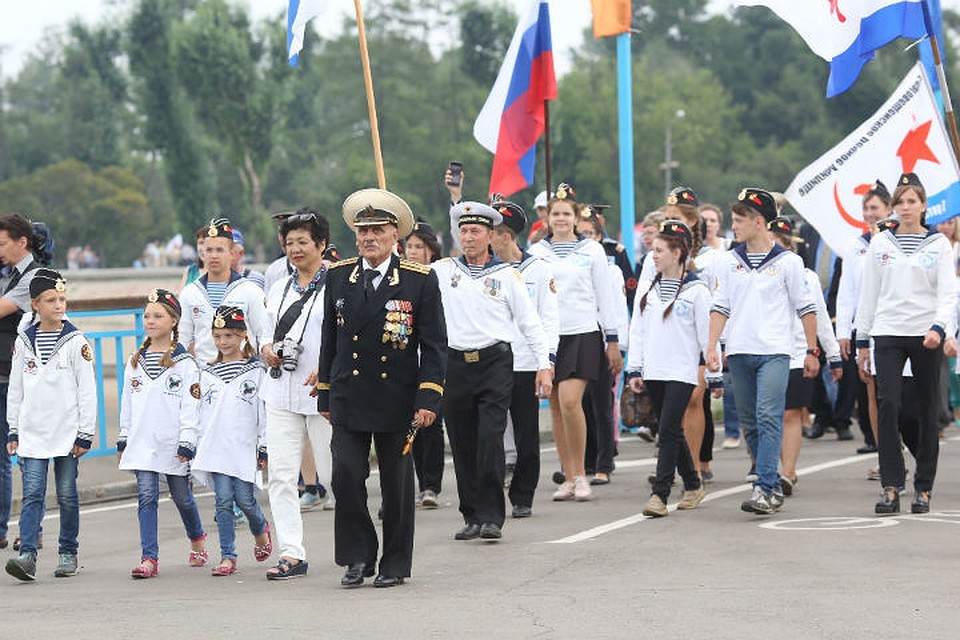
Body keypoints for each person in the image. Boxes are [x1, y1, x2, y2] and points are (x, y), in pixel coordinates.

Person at [318, 188, 446, 588]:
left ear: (396, 236)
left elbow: (435, 345)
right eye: (363, 231)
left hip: (398, 399)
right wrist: (325, 390)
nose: (369, 238)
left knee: (396, 486)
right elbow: (330, 339)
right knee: (345, 476)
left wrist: (429, 397)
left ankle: (394, 562)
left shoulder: (417, 280)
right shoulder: (340, 277)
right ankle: (356, 556)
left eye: (378, 230)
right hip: (349, 395)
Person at [434, 201, 551, 539]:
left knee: (490, 438)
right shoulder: (443, 271)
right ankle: (470, 514)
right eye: (464, 231)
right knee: (462, 441)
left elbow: (530, 324)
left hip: (495, 363)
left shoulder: (506, 275)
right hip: (455, 364)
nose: (469, 237)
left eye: (476, 231)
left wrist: (544, 365)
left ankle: (491, 516)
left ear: (490, 236)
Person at [707, 188, 819, 515]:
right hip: (740, 351)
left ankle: (766, 485)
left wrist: (812, 350)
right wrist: (712, 344)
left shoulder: (789, 263)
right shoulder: (730, 261)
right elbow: (720, 306)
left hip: (775, 351)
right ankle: (766, 479)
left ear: (759, 222)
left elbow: (806, 308)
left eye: (739, 220)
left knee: (769, 416)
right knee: (750, 422)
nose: (734, 226)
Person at [856, 172, 957, 515]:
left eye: (912, 201)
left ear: (924, 205)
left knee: (928, 410)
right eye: (900, 202)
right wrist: (862, 339)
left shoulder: (938, 244)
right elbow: (869, 292)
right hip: (887, 330)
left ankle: (923, 488)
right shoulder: (882, 243)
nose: (905, 207)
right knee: (888, 405)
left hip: (925, 332)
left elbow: (948, 293)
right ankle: (891, 484)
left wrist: (940, 327)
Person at [529, 183, 622, 502]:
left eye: (566, 213)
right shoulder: (537, 252)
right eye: (555, 213)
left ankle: (582, 473)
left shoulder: (592, 250)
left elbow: (605, 297)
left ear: (576, 215)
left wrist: (612, 340)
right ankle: (568, 476)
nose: (561, 219)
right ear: (547, 217)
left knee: (571, 402)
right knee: (555, 407)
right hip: (550, 336)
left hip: (583, 331)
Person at [4, 270, 96, 580]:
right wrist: (13, 428)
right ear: (35, 304)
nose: (58, 305)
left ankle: (68, 551)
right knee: (32, 494)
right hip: (32, 432)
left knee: (67, 494)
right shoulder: (23, 341)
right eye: (50, 300)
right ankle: (27, 554)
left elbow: (87, 390)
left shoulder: (76, 341)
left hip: (67, 432)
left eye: (61, 299)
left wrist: (85, 432)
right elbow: (15, 389)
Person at [259, 210, 333, 580]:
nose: (296, 249)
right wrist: (266, 348)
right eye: (290, 243)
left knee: (337, 475)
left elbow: (349, 337)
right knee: (282, 477)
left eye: (303, 242)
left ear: (321, 245)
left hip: (323, 395)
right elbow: (264, 332)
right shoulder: (278, 287)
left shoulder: (337, 285)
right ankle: (292, 552)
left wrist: (331, 370)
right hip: (281, 392)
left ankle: (356, 547)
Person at [118, 289, 207, 578]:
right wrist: (124, 436)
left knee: (182, 497)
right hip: (142, 441)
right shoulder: (134, 361)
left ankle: (197, 540)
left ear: (173, 321)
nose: (150, 321)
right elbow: (127, 404)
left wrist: (187, 440)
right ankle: (149, 559)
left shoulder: (184, 363)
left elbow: (190, 406)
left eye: (158, 316)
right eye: (147, 316)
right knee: (146, 496)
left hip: (172, 442)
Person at [627, 220, 711, 517]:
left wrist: (713, 372)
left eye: (660, 250)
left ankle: (659, 495)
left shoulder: (697, 290)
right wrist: (634, 368)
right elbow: (638, 329)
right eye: (653, 250)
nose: (654, 255)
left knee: (666, 430)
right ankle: (692, 483)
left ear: (677, 252)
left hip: (682, 370)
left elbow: (707, 336)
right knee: (672, 428)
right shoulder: (649, 289)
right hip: (654, 369)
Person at [488, 198, 559, 517]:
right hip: (493, 361)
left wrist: (548, 360)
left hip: (527, 362)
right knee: (490, 431)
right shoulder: (486, 272)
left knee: (526, 432)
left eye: (493, 233)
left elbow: (549, 318)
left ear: (506, 236)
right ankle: (489, 495)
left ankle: (523, 495)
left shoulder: (538, 270)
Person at [193, 306, 273, 577]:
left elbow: (262, 412)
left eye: (229, 335)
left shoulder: (256, 371)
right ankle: (228, 556)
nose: (223, 342)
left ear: (242, 336)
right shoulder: (207, 373)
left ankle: (261, 529)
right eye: (217, 336)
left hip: (244, 446)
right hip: (216, 447)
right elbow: (201, 413)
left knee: (245, 500)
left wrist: (263, 446)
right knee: (223, 501)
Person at [767, 217, 842, 496]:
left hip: (799, 352)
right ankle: (767, 466)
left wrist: (833, 356)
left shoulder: (807, 277)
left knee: (790, 412)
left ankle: (788, 471)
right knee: (767, 415)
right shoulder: (755, 273)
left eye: (781, 244)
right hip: (767, 351)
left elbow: (820, 318)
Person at [835, 180, 891, 460]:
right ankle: (886, 459)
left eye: (875, 208)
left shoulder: (895, 242)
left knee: (895, 398)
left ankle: (898, 448)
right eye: (866, 208)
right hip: (865, 329)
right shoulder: (856, 246)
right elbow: (847, 293)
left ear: (888, 209)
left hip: (895, 326)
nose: (870, 213)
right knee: (872, 393)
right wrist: (844, 331)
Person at [576, 210, 628, 485]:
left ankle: (604, 463)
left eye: (591, 234)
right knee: (579, 403)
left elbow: (617, 310)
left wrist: (616, 344)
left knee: (602, 404)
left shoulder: (612, 270)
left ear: (599, 238)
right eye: (581, 234)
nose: (586, 239)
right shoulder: (571, 266)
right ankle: (584, 460)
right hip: (577, 338)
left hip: (602, 340)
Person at [0, 213, 41, 550]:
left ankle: (29, 529)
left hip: (24, 378)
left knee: (26, 453)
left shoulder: (34, 278)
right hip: (7, 374)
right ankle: (15, 529)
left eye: (2, 243)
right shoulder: (11, 275)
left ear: (21, 242)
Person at [178, 218, 268, 366]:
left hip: (243, 374)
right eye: (209, 250)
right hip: (204, 373)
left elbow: (263, 333)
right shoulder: (190, 293)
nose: (214, 256)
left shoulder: (250, 291)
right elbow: (182, 338)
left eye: (219, 250)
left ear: (232, 253)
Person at [403, 220, 446, 509]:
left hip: (435, 359)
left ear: (431, 251)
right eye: (410, 246)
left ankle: (430, 484)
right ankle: (410, 484)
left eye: (420, 246)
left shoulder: (441, 275)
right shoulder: (401, 277)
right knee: (407, 425)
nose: (414, 251)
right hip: (405, 361)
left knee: (431, 423)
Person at [179, 226, 207, 290]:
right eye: (201, 243)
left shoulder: (220, 273)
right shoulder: (190, 271)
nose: (203, 248)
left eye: (206, 243)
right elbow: (181, 296)